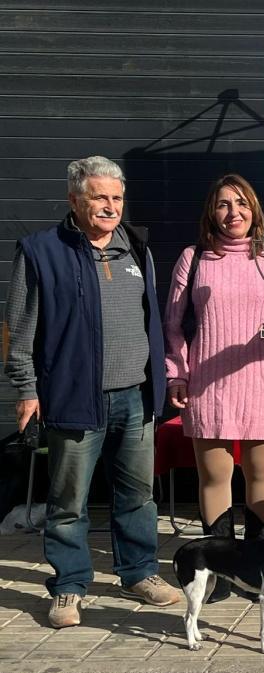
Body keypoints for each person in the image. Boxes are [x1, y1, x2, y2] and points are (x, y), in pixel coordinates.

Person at [4, 156, 181, 628]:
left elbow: (152, 321)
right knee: (68, 503)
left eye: (116, 197)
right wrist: (26, 388)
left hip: (136, 396)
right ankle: (68, 587)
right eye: (99, 196)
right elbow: (21, 329)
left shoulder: (136, 247)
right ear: (74, 200)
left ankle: (139, 572)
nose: (109, 206)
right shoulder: (41, 250)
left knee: (137, 496)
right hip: (73, 396)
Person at [162, 174, 264, 602]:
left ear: (254, 210)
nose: (234, 213)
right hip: (208, 381)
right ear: (212, 212)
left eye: (242, 203)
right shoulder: (194, 258)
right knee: (215, 479)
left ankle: (257, 567)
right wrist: (178, 372)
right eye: (224, 204)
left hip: (263, 379)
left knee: (262, 479)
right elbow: (173, 325)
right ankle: (220, 574)